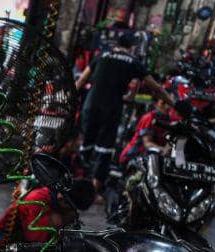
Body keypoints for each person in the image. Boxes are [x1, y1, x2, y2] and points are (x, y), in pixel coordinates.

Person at [75, 33, 177, 191]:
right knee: (104, 148)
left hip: (90, 105)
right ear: (132, 48)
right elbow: (156, 88)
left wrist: (66, 99)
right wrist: (176, 105)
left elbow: (81, 81)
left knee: (86, 143)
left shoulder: (101, 56)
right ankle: (93, 190)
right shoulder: (133, 62)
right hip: (111, 108)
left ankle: (76, 185)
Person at [0, 178, 95, 251]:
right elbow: (35, 241)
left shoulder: (60, 202)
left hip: (32, 241)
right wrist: (60, 221)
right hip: (8, 245)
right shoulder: (36, 201)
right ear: (62, 198)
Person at [119, 97, 180, 163]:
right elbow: (147, 144)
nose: (168, 107)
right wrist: (163, 149)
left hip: (151, 158)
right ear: (158, 104)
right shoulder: (149, 117)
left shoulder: (169, 120)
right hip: (132, 157)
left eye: (169, 104)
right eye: (163, 103)